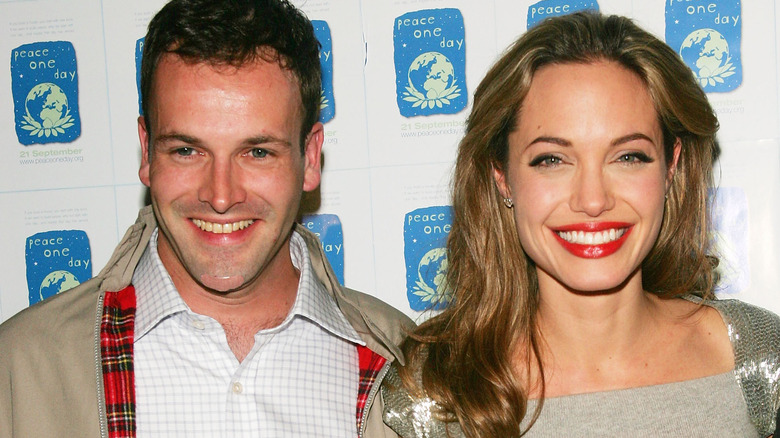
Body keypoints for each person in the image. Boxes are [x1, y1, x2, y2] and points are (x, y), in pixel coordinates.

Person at [0, 0, 412, 436]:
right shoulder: (22, 367)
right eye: (186, 150)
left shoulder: (408, 365)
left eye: (257, 152)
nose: (220, 196)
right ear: (147, 150)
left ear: (309, 157)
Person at [382, 12, 780, 438]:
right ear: (502, 177)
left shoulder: (758, 357)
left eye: (629, 156)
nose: (593, 200)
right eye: (551, 160)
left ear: (671, 168)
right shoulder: (430, 393)